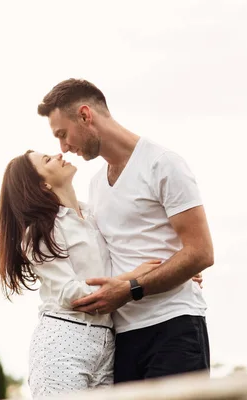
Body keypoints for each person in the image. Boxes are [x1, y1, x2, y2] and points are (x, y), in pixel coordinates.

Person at [36, 78, 214, 383]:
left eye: (63, 135)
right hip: (121, 340)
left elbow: (201, 253)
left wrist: (135, 286)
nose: (63, 147)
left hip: (174, 327)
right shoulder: (94, 187)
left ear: (85, 115)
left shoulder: (162, 164)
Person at [0, 151, 202, 397]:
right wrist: (133, 278)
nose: (59, 153)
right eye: (47, 160)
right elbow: (69, 293)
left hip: (107, 343)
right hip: (64, 340)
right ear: (43, 185)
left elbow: (124, 256)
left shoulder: (94, 215)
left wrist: (173, 270)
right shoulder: (40, 233)